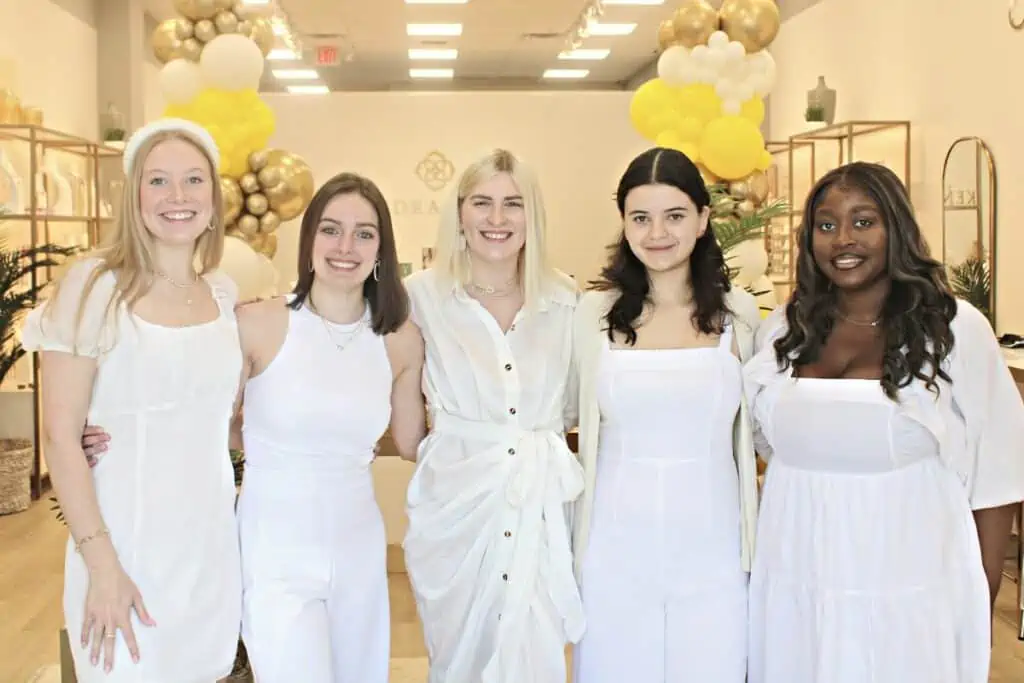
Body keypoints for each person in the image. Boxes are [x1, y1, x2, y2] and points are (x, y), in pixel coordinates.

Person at [80, 172, 426, 683]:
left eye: (364, 233)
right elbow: (198, 414)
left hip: (359, 547)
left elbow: (417, 441)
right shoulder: (258, 323)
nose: (345, 247)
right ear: (309, 240)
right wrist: (112, 431)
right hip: (274, 547)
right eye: (330, 230)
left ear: (381, 248)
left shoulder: (400, 338)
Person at [744, 161, 1024, 683]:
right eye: (825, 225)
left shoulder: (955, 328)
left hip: (911, 582)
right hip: (796, 572)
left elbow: (999, 471)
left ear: (895, 227)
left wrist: (980, 593)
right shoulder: (786, 327)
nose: (842, 239)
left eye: (863, 221)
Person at [21, 118, 243, 681]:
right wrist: (103, 567)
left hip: (208, 547)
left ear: (214, 199)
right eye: (158, 181)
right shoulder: (95, 286)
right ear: (133, 196)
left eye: (194, 180)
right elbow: (60, 436)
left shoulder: (222, 293)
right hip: (125, 545)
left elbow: (216, 419)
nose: (178, 197)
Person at [570, 147, 760, 683]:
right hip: (613, 541)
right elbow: (559, 413)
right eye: (640, 217)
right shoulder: (594, 314)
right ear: (624, 225)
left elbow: (763, 429)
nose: (657, 232)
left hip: (716, 543)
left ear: (702, 219)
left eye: (674, 215)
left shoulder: (738, 313)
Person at [401, 148, 584, 683]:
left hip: (539, 502)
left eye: (513, 204)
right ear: (460, 213)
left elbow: (574, 403)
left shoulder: (565, 299)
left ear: (534, 215)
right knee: (459, 650)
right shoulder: (420, 298)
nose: (497, 219)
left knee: (534, 646)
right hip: (454, 506)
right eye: (482, 203)